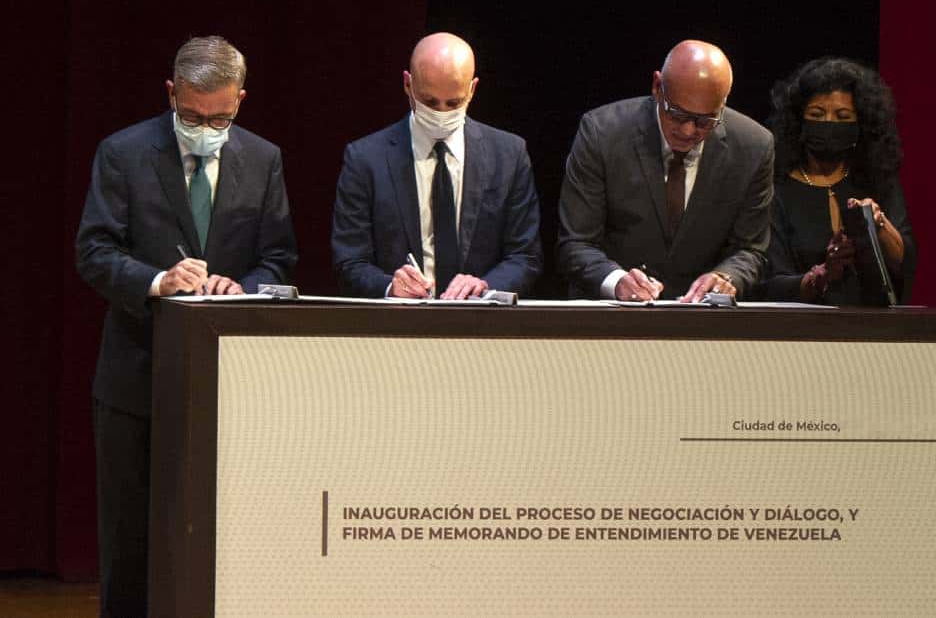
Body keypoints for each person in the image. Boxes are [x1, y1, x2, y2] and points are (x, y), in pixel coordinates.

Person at [75, 35, 298, 617]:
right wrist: (158, 280)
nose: (206, 128)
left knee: (221, 538)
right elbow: (94, 251)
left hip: (231, 386)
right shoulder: (123, 153)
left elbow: (278, 258)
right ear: (171, 93)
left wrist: (241, 287)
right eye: (193, 117)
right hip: (136, 380)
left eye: (220, 118)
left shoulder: (264, 159)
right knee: (129, 543)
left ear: (240, 101)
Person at [557, 39, 773, 302]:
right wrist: (616, 281)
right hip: (612, 313)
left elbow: (751, 249)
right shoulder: (602, 133)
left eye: (705, 121)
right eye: (677, 114)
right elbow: (576, 243)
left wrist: (726, 277)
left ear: (723, 103)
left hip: (704, 316)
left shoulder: (754, 146)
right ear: (657, 86)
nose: (688, 131)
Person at [332, 32, 541, 299]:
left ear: (472, 89)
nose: (441, 113)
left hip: (481, 319)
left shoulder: (509, 155)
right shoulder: (365, 159)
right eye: (430, 102)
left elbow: (525, 255)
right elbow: (350, 261)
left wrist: (485, 285)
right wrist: (389, 286)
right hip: (398, 319)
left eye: (453, 103)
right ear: (408, 84)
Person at [757, 57, 915, 304]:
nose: (829, 123)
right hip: (799, 324)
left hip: (875, 322)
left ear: (861, 124)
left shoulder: (876, 180)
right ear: (798, 120)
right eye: (817, 114)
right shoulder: (776, 189)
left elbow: (904, 265)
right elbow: (771, 283)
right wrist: (823, 274)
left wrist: (878, 224)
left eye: (842, 116)